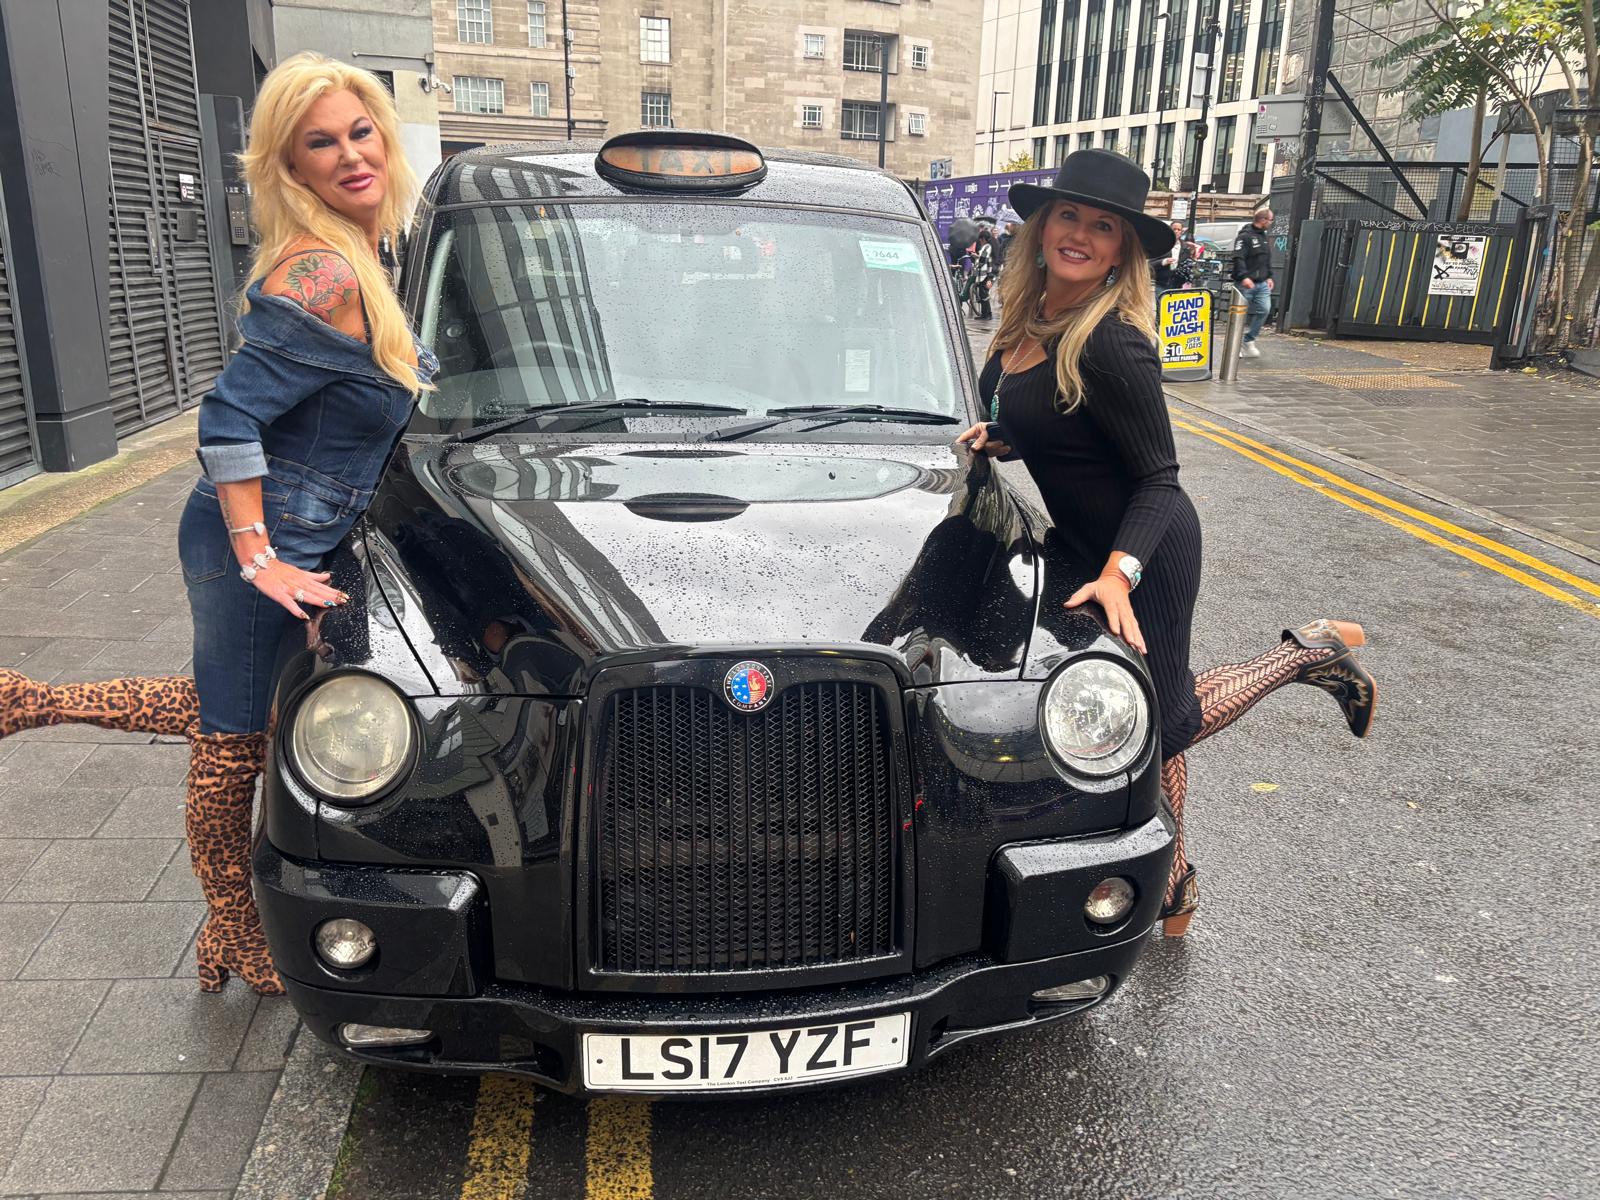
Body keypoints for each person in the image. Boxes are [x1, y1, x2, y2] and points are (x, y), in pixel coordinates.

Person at [0, 53, 436, 994]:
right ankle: (231, 931)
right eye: (321, 143)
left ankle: (29, 702)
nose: (351, 155)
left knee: (248, 710)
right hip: (259, 539)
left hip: (304, 532)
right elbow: (228, 418)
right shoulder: (322, 271)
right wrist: (258, 558)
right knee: (231, 743)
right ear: (290, 165)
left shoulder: (366, 251)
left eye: (360, 131)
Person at [956, 150, 1376, 935]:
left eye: (1103, 227)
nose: (1080, 235)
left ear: (1122, 251)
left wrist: (1122, 571)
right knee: (1148, 706)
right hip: (1086, 546)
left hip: (1145, 549)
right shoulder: (1022, 322)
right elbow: (1056, 427)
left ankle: (1305, 654)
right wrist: (1003, 439)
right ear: (1042, 227)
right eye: (1069, 216)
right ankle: (1175, 881)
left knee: (1163, 720)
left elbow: (1159, 476)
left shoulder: (1111, 341)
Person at [1231, 207, 1275, 357]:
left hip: (1262, 283)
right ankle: (1234, 346)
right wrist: (1244, 276)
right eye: (1270, 220)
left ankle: (1248, 340)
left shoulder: (1264, 237)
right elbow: (1238, 257)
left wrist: (1269, 276)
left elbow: (1266, 259)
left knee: (1264, 309)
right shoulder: (1244, 237)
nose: (1271, 223)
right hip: (1245, 283)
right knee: (1239, 315)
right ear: (1263, 220)